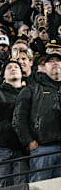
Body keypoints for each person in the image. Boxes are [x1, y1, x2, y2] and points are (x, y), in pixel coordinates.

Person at [13, 52, 61, 182]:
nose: (55, 63)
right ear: (44, 68)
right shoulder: (32, 88)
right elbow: (19, 118)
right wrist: (29, 141)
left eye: (58, 60)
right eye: (51, 61)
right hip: (43, 148)